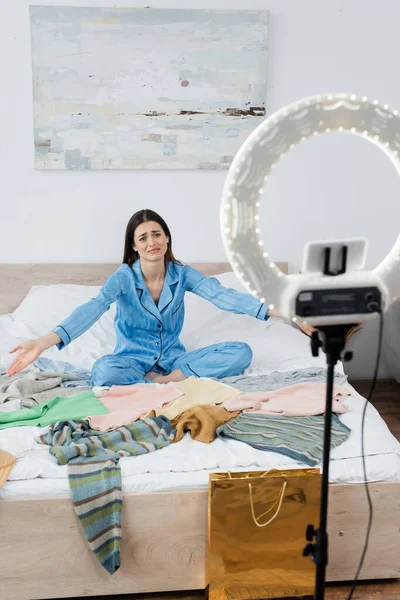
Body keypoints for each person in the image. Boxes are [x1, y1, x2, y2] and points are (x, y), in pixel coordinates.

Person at [7, 209, 312, 386]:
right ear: (134, 247)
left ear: (167, 238)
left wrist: (287, 312)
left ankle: (165, 383)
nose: (152, 241)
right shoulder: (123, 278)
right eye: (143, 237)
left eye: (157, 234)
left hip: (174, 361)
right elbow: (92, 308)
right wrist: (42, 342)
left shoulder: (183, 274)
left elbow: (224, 297)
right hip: (130, 362)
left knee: (241, 352)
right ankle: (153, 385)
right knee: (103, 370)